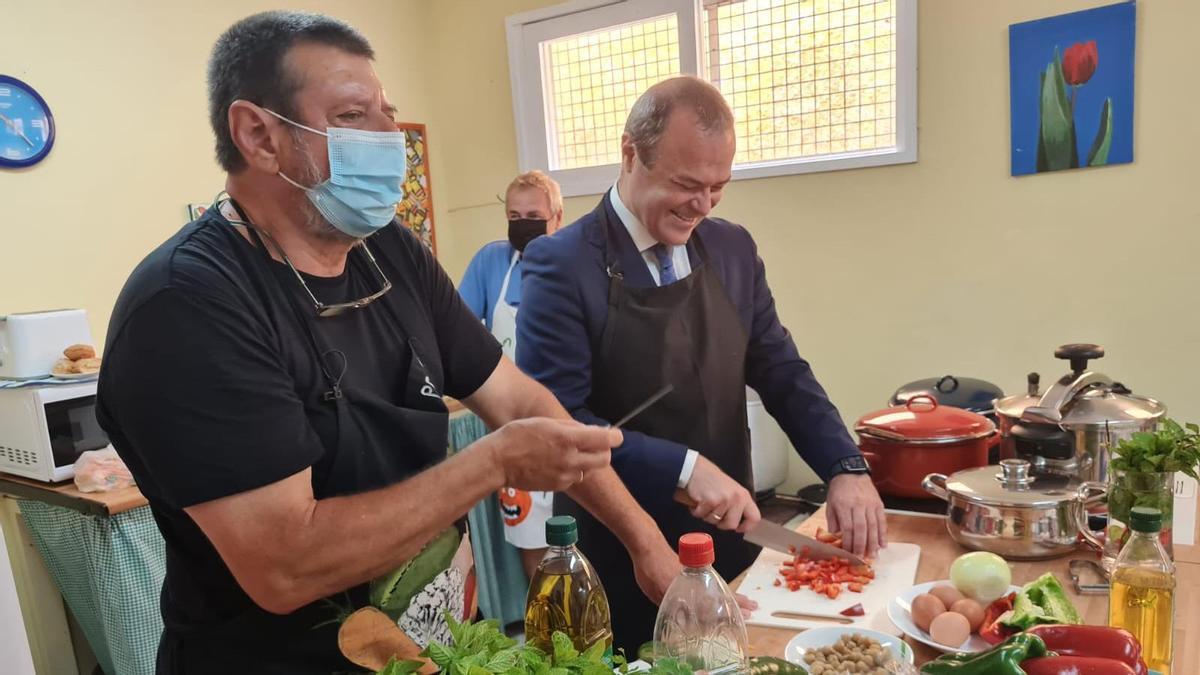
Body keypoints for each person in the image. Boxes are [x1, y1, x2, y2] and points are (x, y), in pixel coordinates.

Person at [96, 12, 678, 674]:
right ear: (259, 135)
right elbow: (285, 565)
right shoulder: (187, 307)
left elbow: (518, 401)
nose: (387, 136)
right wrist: (492, 463)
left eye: (386, 113)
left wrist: (645, 542)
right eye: (352, 116)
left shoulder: (389, 250)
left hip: (437, 650)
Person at [516, 76, 887, 652]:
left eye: (719, 187)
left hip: (730, 531)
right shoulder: (560, 264)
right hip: (620, 545)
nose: (703, 205)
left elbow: (782, 369)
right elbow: (560, 421)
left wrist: (845, 466)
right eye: (687, 184)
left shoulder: (732, 249)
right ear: (630, 153)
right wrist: (683, 468)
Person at [460, 172, 564, 577]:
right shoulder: (492, 261)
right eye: (514, 215)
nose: (523, 224)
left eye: (534, 215)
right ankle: (544, 627)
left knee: (583, 529)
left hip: (570, 416)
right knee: (530, 536)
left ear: (557, 217)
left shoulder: (576, 262)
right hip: (515, 424)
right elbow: (458, 331)